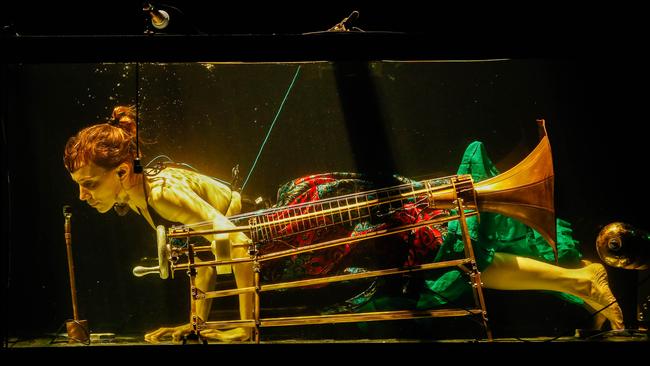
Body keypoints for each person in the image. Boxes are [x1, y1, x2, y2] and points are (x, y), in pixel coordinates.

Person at [64, 105, 624, 343]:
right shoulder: (145, 196)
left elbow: (233, 243)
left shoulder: (159, 192)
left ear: (123, 168)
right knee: (438, 255)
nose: (86, 195)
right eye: (81, 187)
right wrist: (197, 323)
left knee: (437, 244)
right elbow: (206, 258)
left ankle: (582, 279)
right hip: (305, 228)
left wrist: (247, 328)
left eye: (91, 182)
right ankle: (580, 281)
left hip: (310, 224)